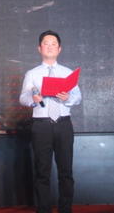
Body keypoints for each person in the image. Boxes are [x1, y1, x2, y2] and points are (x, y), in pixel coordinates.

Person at [19, 30, 82, 213]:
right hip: (42, 125)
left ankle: (65, 209)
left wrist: (68, 98)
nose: (50, 47)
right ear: (39, 48)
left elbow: (78, 97)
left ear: (59, 49)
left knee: (66, 171)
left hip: (63, 124)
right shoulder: (32, 74)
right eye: (46, 43)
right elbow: (23, 98)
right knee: (42, 171)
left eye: (53, 44)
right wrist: (33, 99)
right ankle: (44, 209)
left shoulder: (67, 73)